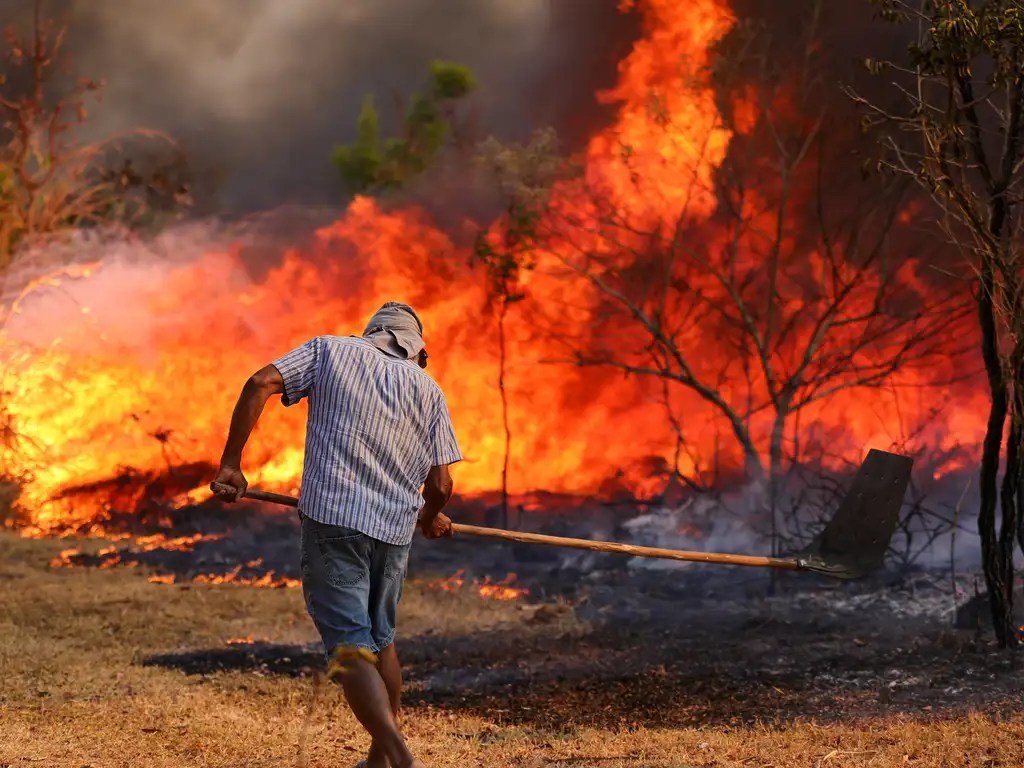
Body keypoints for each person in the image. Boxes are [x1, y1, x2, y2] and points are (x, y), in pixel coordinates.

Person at [212, 301, 461, 768]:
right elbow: (442, 486)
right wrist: (429, 516)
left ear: (370, 334)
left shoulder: (330, 351)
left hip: (334, 523)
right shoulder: (429, 390)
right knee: (381, 639)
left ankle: (400, 755)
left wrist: (231, 463)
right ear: (416, 351)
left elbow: (260, 382)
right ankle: (379, 761)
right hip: (392, 533)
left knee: (350, 643)